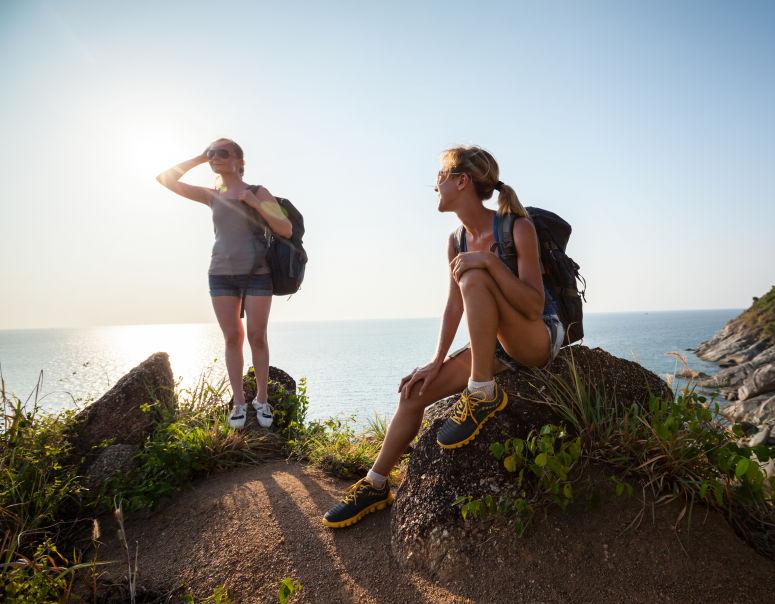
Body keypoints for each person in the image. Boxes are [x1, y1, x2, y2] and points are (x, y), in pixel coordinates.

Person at [323, 145, 564, 528]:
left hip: (535, 337)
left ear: (461, 181)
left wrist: (487, 263)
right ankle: (375, 484)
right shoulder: (457, 241)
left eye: (441, 175)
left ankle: (482, 393)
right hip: (496, 346)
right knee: (414, 392)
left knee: (474, 274)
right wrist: (436, 362)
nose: (435, 183)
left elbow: (534, 305)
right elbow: (455, 306)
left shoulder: (516, 226)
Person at [156, 138, 293, 429]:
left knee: (257, 336)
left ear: (239, 161)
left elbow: (285, 228)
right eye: (212, 153)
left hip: (258, 274)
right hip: (221, 274)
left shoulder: (258, 191)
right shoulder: (212, 194)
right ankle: (239, 403)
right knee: (232, 338)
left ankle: (262, 399)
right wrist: (198, 158)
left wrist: (255, 203)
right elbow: (165, 179)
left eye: (222, 153)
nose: (215, 157)